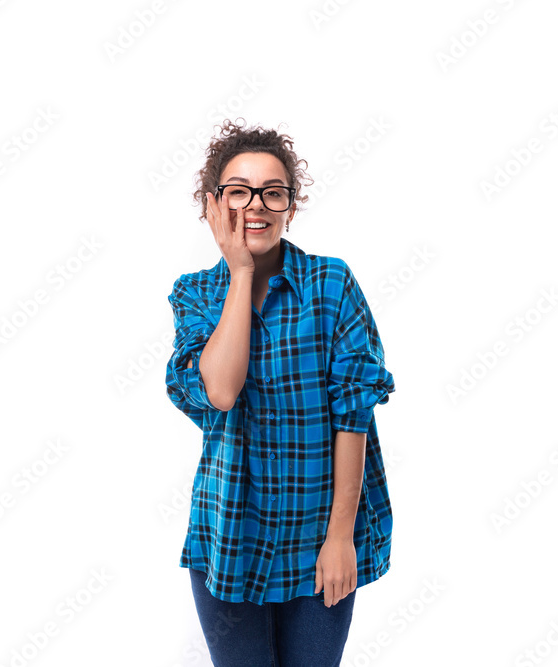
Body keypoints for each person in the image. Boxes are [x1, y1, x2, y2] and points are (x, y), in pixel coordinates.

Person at [165, 118, 396, 666]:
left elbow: (353, 415)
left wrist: (340, 537)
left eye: (273, 192)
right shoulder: (195, 294)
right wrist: (241, 273)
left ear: (291, 205)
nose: (257, 205)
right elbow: (221, 391)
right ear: (213, 204)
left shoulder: (331, 283)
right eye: (239, 191)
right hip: (230, 540)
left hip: (321, 540)